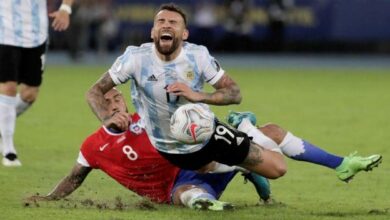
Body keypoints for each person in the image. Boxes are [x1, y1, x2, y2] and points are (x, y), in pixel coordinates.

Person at [86, 3, 287, 180]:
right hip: (166, 147)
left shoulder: (197, 56)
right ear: (152, 31)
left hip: (206, 133)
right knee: (206, 170)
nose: (166, 25)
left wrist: (199, 95)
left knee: (278, 168)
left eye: (173, 22)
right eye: (161, 21)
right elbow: (94, 91)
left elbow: (235, 93)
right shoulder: (135, 58)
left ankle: (247, 130)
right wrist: (106, 118)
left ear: (184, 34)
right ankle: (244, 165)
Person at [26, 88, 271, 211]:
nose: (113, 105)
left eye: (116, 99)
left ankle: (252, 170)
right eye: (106, 102)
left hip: (194, 164)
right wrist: (48, 198)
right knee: (184, 194)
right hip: (174, 188)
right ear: (98, 109)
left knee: (234, 153)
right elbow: (74, 178)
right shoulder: (93, 146)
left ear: (124, 100)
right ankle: (208, 203)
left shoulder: (147, 119)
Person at [0, 0, 74, 166]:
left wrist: (65, 8)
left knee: (30, 94)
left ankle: (2, 125)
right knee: (8, 86)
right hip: (5, 33)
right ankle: (9, 150)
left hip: (36, 35)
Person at [226, 111, 382, 182]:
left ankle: (342, 164)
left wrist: (265, 196)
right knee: (277, 166)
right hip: (206, 160)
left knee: (272, 132)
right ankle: (203, 195)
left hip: (213, 149)